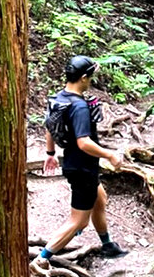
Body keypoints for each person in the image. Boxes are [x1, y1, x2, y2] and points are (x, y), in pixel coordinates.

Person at [35, 55, 128, 265]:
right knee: (78, 222)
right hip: (82, 167)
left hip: (76, 164)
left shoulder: (59, 98)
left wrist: (50, 154)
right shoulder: (79, 107)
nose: (91, 81)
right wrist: (110, 154)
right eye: (91, 77)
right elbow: (83, 142)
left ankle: (107, 245)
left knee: (100, 198)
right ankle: (41, 259)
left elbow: (50, 125)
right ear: (83, 78)